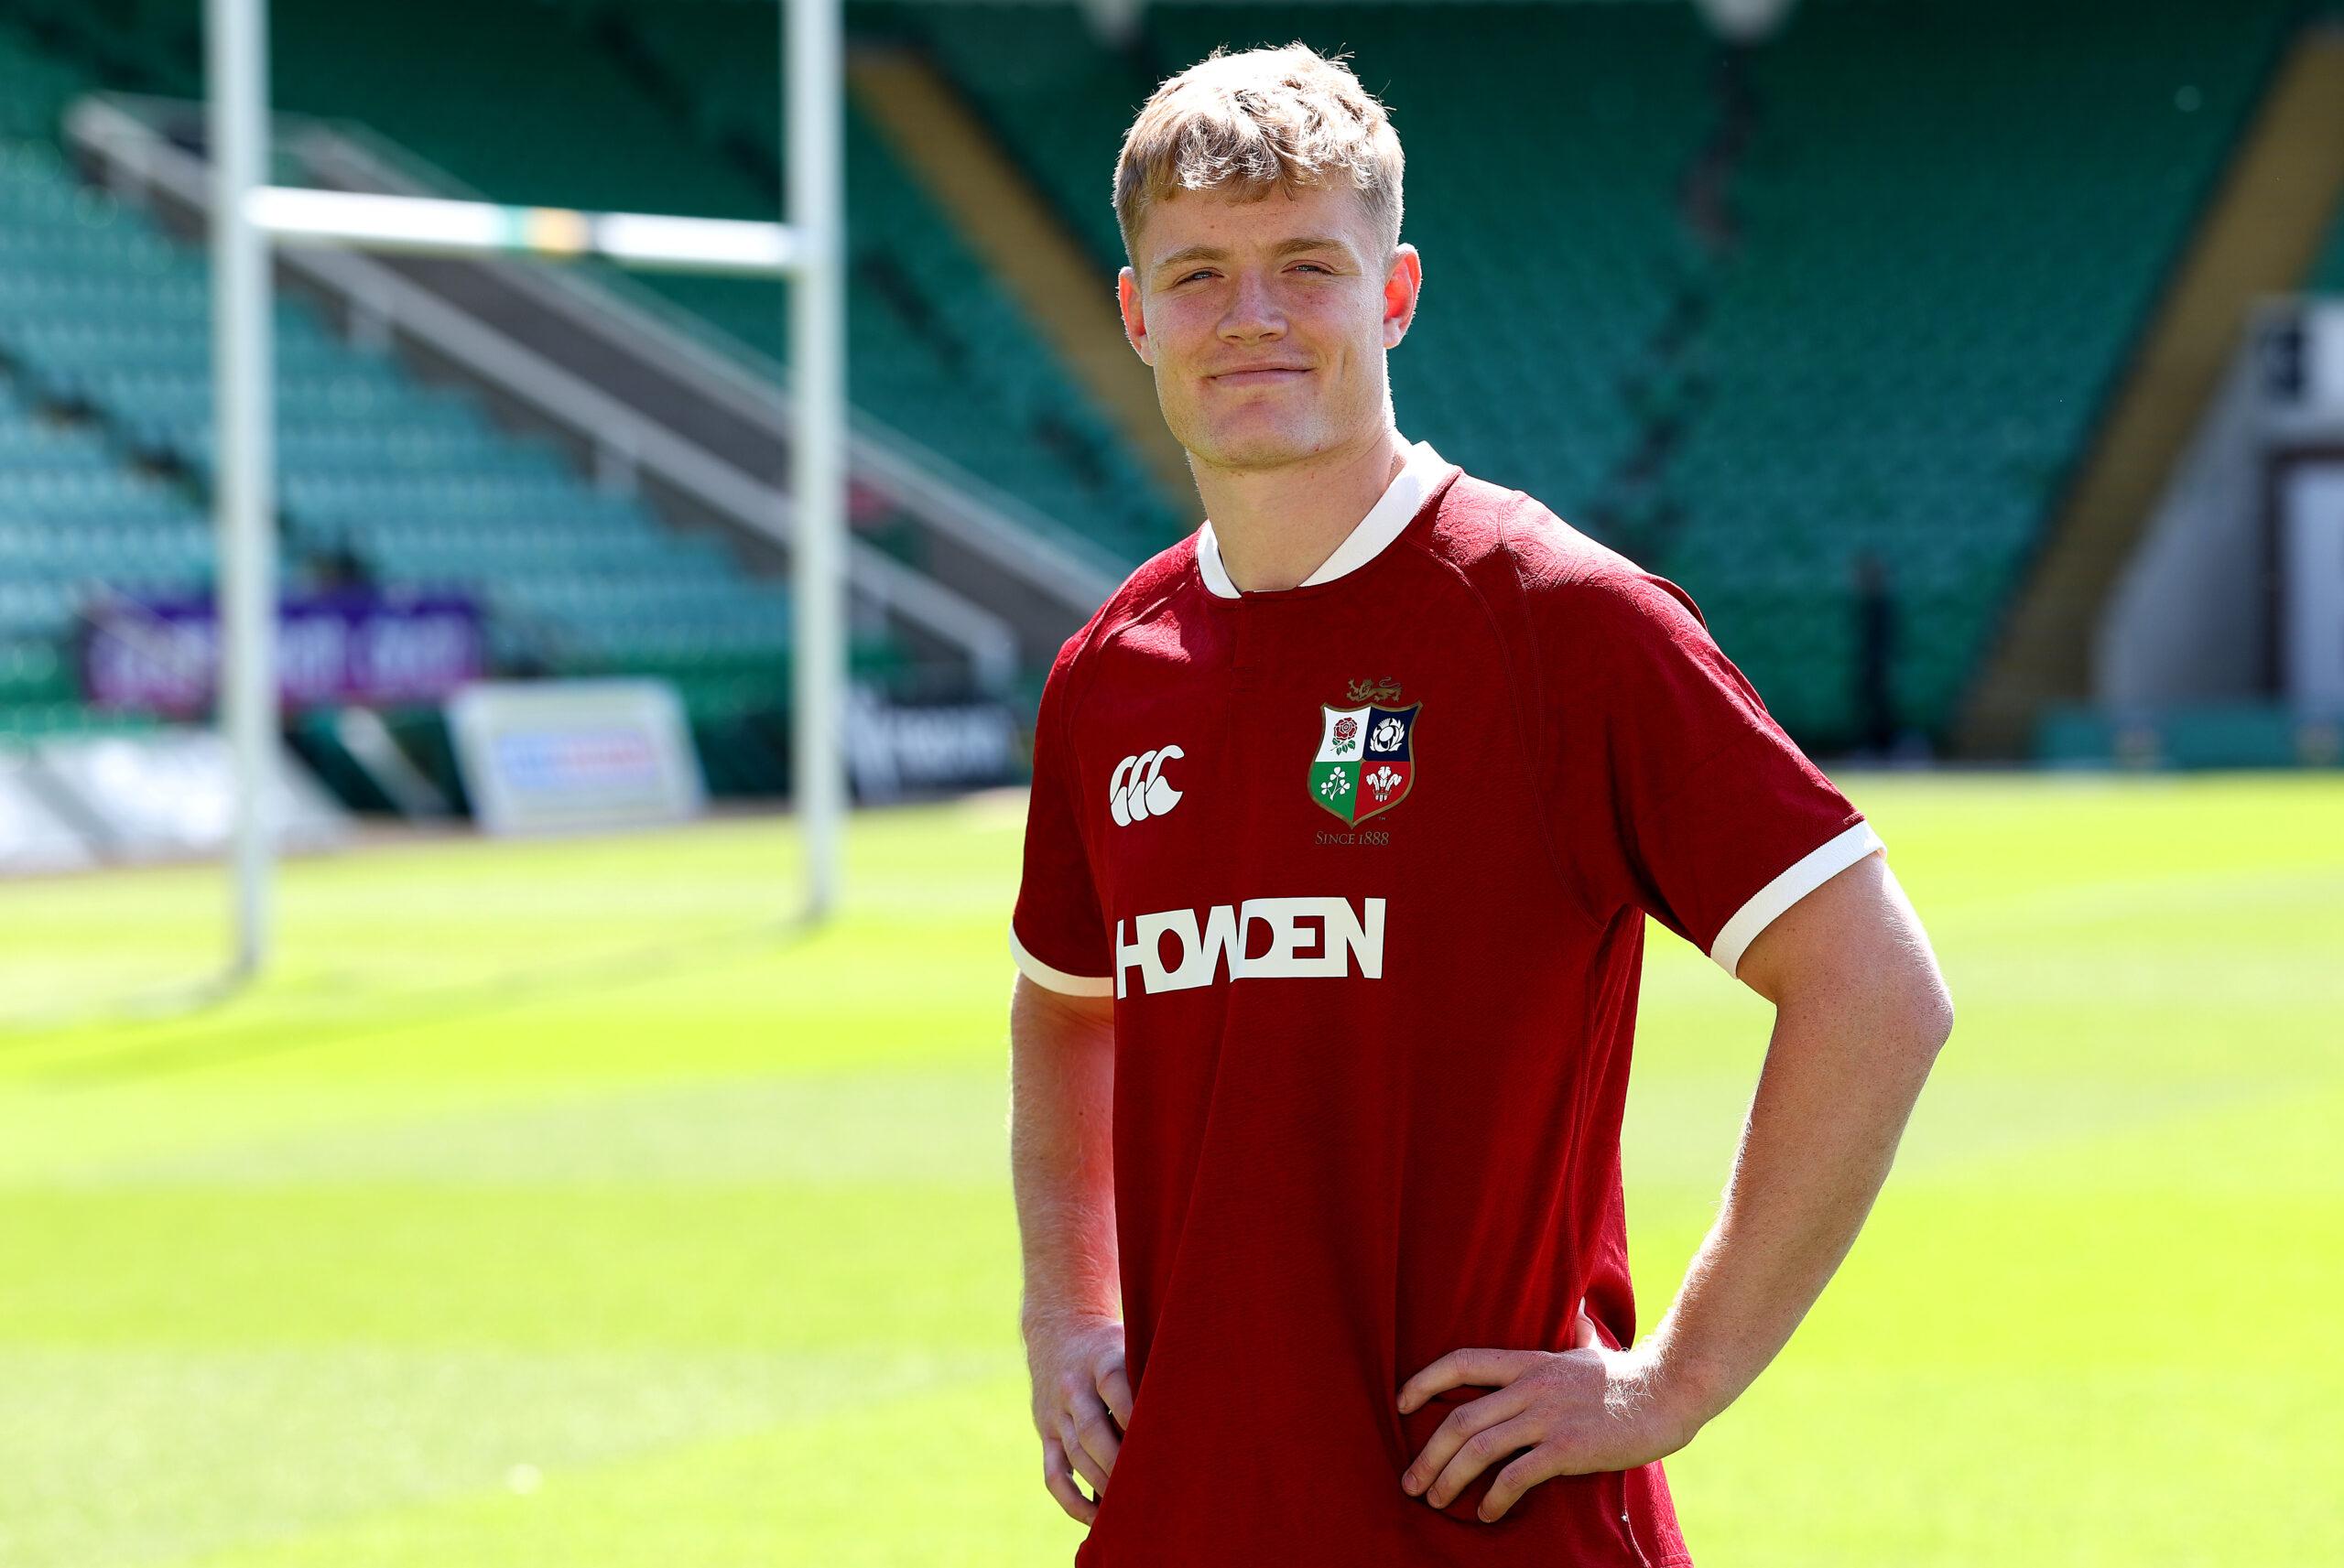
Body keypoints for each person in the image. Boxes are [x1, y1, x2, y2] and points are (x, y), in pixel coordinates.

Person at [1007, 43, 1953, 1567]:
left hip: (1487, 1523)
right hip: (1186, 1508)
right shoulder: (1109, 672)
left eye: (1306, 266)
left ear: (1394, 293)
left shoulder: (1560, 620)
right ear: (1134, 313)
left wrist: (1675, 1376)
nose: (1250, 316)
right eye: (1198, 276)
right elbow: (1065, 1007)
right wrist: (1067, 1312)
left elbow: (1877, 984)